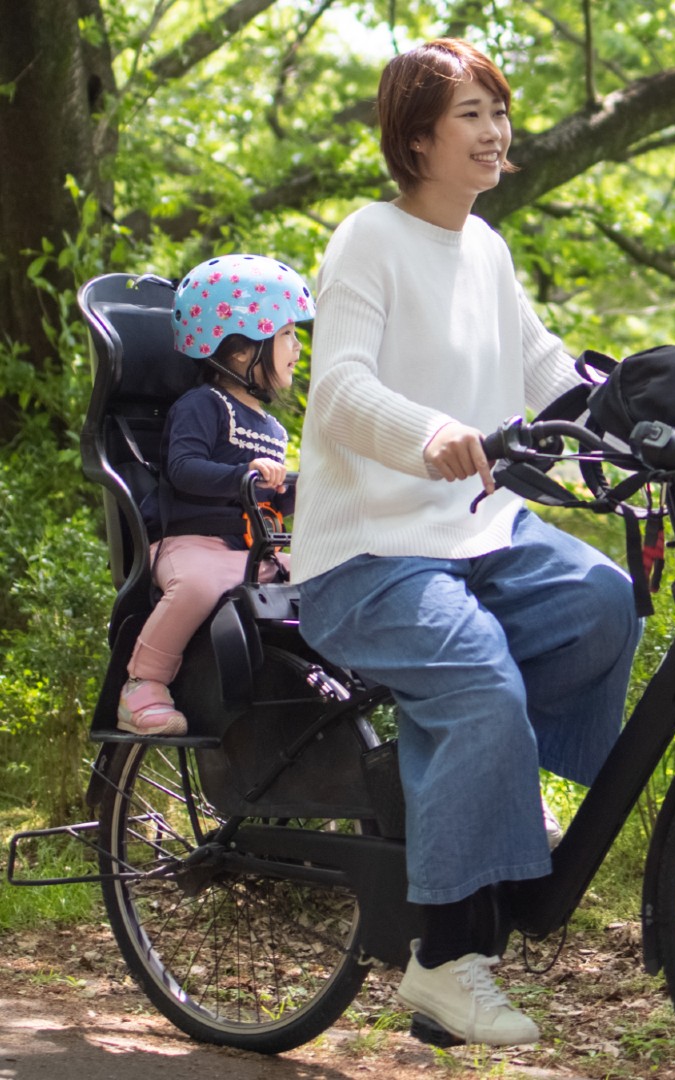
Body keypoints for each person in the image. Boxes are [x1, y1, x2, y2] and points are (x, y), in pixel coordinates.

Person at [290, 38, 640, 1046]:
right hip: (368, 556)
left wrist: (624, 420)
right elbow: (343, 389)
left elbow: (538, 361)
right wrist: (433, 433)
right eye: (472, 115)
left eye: (499, 111)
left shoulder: (484, 246)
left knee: (603, 598)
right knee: (480, 682)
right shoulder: (370, 237)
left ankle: (506, 798)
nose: (496, 132)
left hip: (479, 537)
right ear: (416, 138)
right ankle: (442, 961)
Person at [117, 253, 314, 736]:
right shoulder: (203, 405)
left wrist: (300, 491)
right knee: (200, 586)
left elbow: (267, 497)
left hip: (251, 548)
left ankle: (306, 695)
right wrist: (243, 473)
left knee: (317, 581)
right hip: (190, 543)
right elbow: (184, 470)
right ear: (241, 350)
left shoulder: (272, 427)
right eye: (287, 334)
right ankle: (142, 684)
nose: (297, 347)